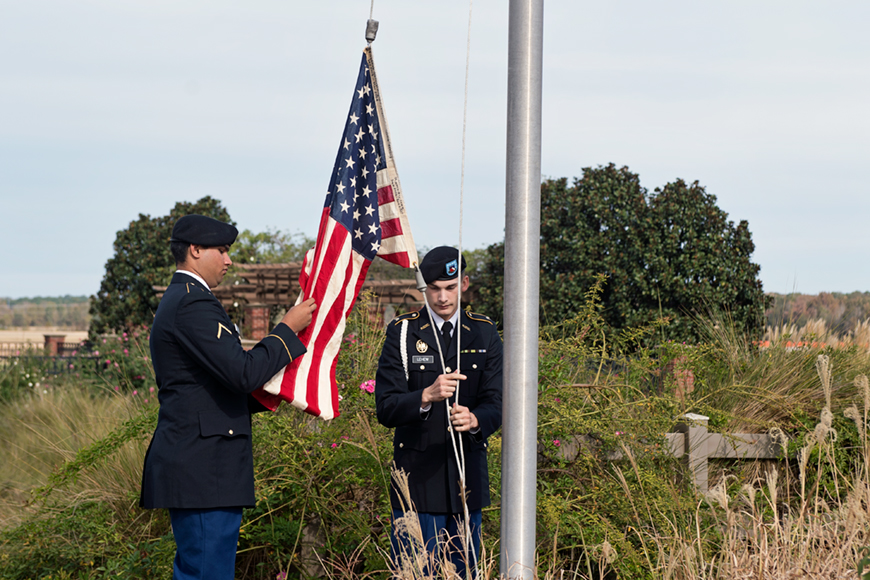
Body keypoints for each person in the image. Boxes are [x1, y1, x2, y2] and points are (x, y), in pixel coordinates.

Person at [139, 214, 317, 580]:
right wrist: (286, 329)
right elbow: (241, 373)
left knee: (204, 570)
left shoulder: (186, 299)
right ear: (195, 250)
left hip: (202, 464)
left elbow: (211, 388)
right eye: (221, 250)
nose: (228, 260)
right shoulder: (192, 303)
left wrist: (273, 392)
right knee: (207, 572)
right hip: (203, 468)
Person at [375, 246, 503, 576]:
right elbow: (386, 407)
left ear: (464, 283)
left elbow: (497, 402)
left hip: (466, 481)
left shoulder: (484, 331)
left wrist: (476, 420)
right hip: (417, 483)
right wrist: (426, 395)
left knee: (465, 572)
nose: (442, 297)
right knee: (416, 573)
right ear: (424, 288)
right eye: (434, 288)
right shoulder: (403, 332)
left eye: (450, 287)